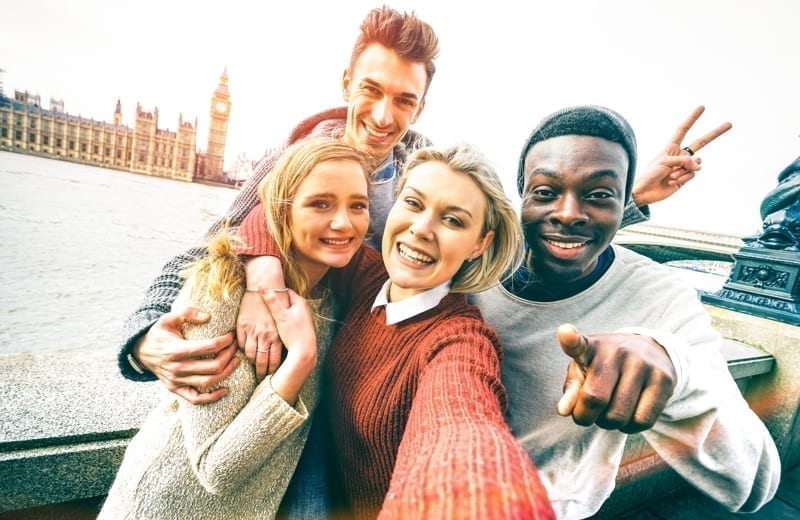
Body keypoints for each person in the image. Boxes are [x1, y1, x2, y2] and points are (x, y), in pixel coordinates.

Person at [117, 5, 707, 402]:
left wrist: (631, 200)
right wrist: (143, 340)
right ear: (346, 83)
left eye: (404, 100)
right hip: (277, 375)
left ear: (420, 106)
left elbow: (508, 238)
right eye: (371, 91)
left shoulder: (425, 176)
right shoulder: (289, 163)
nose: (383, 116)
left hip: (366, 374)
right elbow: (205, 253)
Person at [470, 105, 781, 518]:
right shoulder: (471, 260)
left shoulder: (661, 297)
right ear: (521, 198)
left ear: (620, 204)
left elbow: (756, 481)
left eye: (600, 195)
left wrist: (673, 369)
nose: (568, 213)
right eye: (544, 192)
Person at [237, 142, 555, 518]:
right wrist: (262, 280)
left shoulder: (458, 342)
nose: (421, 229)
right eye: (414, 204)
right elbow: (280, 210)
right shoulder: (366, 276)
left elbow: (463, 421)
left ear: (480, 244)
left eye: (453, 221)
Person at [99, 137, 371, 519]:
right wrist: (300, 360)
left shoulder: (332, 303)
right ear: (281, 211)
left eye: (357, 205)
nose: (343, 222)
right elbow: (216, 468)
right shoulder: (222, 291)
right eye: (320, 204)